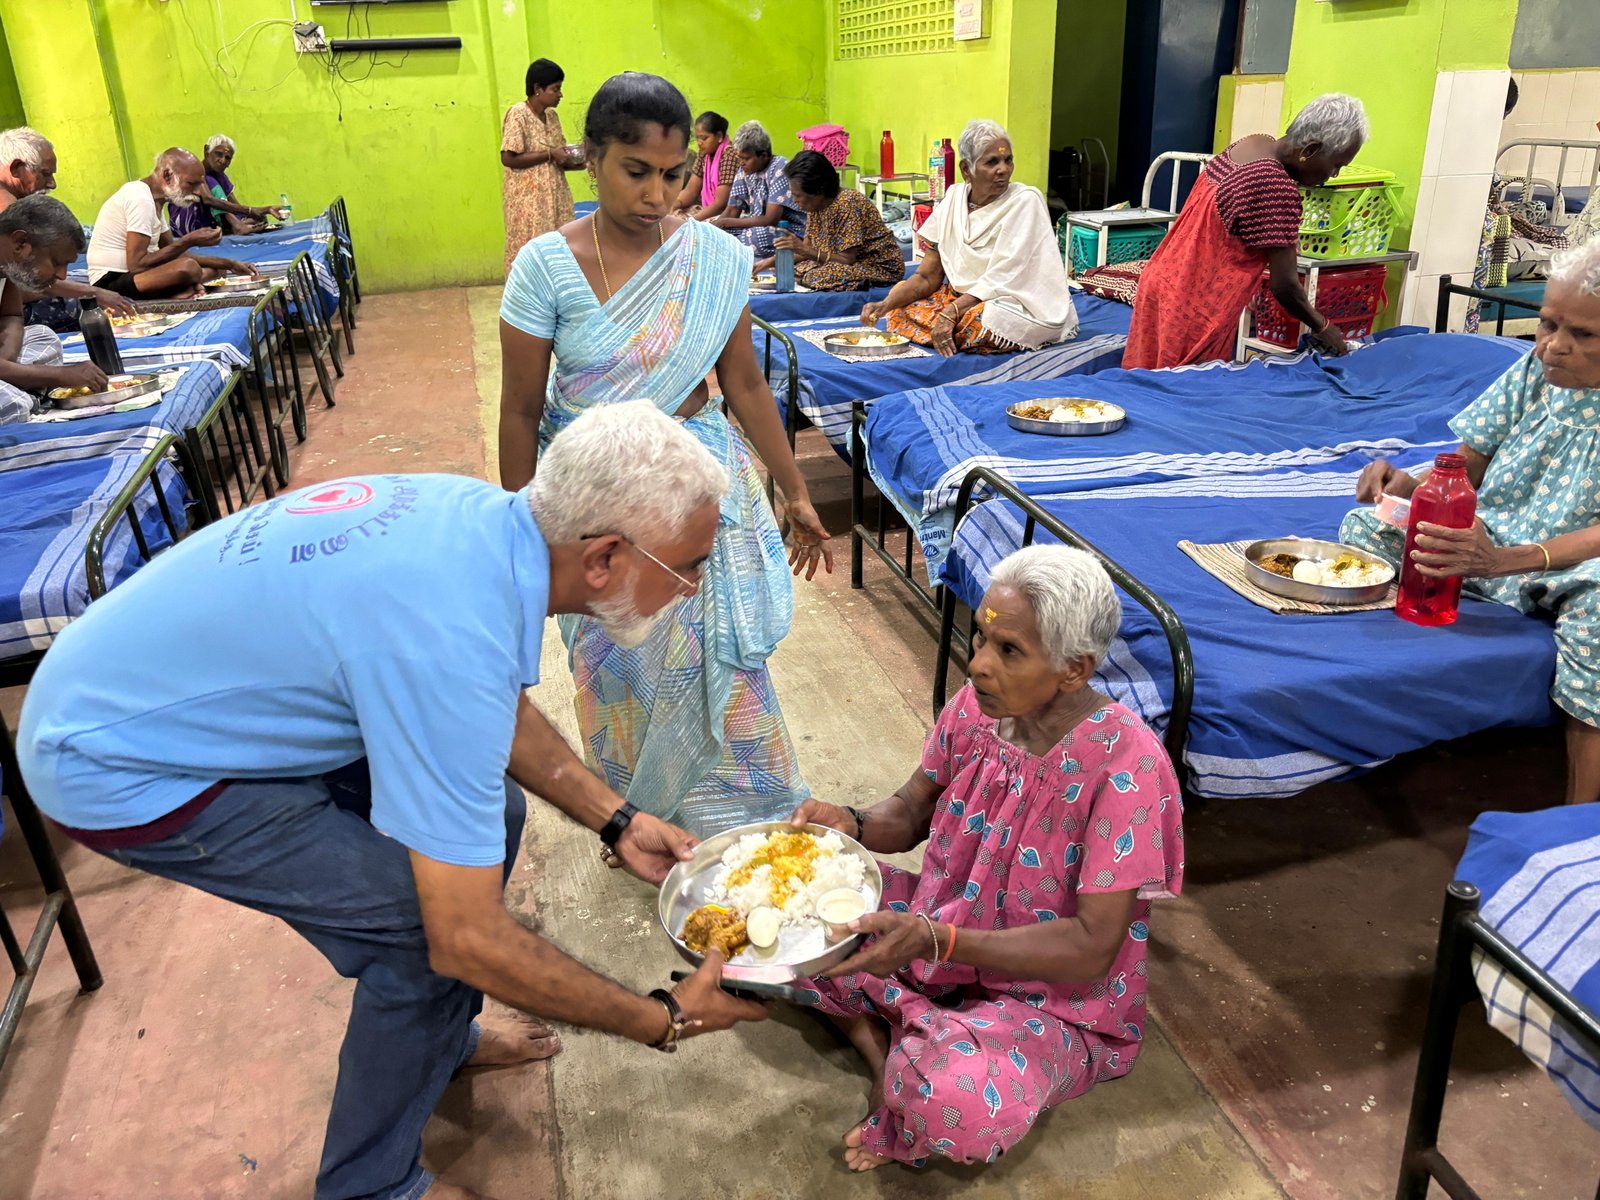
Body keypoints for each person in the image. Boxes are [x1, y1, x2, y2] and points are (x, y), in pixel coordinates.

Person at [18, 400, 770, 1200]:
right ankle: (370, 1187)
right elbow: (465, 937)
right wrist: (662, 1017)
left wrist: (615, 821)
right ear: (604, 557)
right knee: (421, 937)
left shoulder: (491, 525)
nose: (691, 587)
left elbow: (489, 709)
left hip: (156, 689)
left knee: (495, 818)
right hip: (115, 762)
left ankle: (438, 1040)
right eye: (687, 566)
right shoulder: (448, 635)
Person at [499, 72, 832, 832]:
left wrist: (795, 489)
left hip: (697, 495)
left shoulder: (710, 258)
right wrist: (522, 528)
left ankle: (745, 815)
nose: (657, 194)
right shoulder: (545, 268)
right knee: (619, 664)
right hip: (596, 500)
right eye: (636, 171)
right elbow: (520, 411)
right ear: (591, 160)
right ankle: (641, 819)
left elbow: (744, 384)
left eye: (674, 174)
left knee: (722, 658)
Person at [787, 544, 1184, 1170]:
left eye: (1008, 651)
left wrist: (938, 941)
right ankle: (893, 1052)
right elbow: (910, 811)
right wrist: (851, 821)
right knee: (786, 914)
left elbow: (1090, 947)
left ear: (1075, 668)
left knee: (961, 1108)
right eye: (980, 638)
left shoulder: (1127, 768)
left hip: (1045, 998)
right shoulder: (975, 711)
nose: (977, 664)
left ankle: (906, 1035)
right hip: (936, 930)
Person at [1342, 240, 1600, 807]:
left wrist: (1507, 561)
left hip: (1572, 562)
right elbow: (1466, 467)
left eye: (1583, 334)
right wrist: (1408, 486)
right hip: (1488, 543)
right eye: (1548, 323)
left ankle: (1579, 822)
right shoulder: (1535, 370)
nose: (1554, 346)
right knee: (1367, 527)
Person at [1123, 93, 1369, 370]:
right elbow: (1285, 285)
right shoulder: (1275, 185)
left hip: (1163, 281)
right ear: (1310, 150)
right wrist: (1323, 326)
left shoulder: (1254, 143)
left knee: (1142, 381)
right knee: (1182, 387)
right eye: (1336, 165)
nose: (1334, 175)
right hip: (1195, 306)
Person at [861, 119, 1077, 356]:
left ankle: (954, 327)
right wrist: (885, 304)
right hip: (961, 298)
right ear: (966, 169)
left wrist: (951, 312)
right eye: (992, 162)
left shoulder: (1026, 201)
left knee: (985, 320)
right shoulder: (953, 199)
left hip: (1011, 299)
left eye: (1008, 160)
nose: (1003, 169)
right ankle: (950, 327)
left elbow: (1005, 277)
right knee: (900, 307)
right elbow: (927, 276)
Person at [0, 126, 135, 322]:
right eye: (45, 174)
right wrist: (93, 292)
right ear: (16, 169)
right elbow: (26, 284)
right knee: (97, 309)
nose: (52, 184)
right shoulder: (7, 210)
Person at [0, 194, 113, 423]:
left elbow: (11, 316)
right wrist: (60, 375)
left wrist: (6, 363)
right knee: (12, 403)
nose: (62, 275)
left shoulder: (8, 264)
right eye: (57, 262)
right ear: (20, 243)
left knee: (44, 336)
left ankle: (19, 386)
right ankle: (22, 395)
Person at [86, 148, 257, 299]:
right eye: (191, 184)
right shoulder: (140, 198)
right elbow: (136, 264)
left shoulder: (156, 202)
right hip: (112, 282)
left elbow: (174, 251)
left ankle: (184, 288)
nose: (198, 192)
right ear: (168, 176)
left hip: (139, 275)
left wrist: (230, 264)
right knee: (189, 268)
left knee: (218, 269)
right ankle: (183, 288)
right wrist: (188, 241)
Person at [751, 150, 903, 292]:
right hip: (837, 262)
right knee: (787, 269)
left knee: (815, 276)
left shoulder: (848, 203)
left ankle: (860, 283)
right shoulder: (816, 206)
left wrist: (801, 248)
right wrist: (771, 261)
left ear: (819, 191)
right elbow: (808, 249)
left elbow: (847, 259)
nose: (794, 200)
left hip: (874, 266)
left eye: (798, 195)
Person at [501, 58, 584, 274]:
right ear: (538, 89)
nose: (560, 95)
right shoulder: (518, 114)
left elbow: (559, 156)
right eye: (555, 89)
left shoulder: (552, 117)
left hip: (555, 198)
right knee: (531, 253)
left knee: (558, 250)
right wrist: (549, 154)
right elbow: (508, 158)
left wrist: (581, 160)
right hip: (529, 203)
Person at [712, 120, 805, 257]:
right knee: (714, 227)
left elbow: (771, 219)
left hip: (788, 229)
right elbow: (732, 210)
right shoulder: (745, 171)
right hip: (756, 226)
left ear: (763, 155)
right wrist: (714, 229)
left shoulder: (780, 168)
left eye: (746, 158)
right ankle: (728, 245)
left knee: (757, 236)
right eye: (739, 158)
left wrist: (725, 223)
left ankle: (729, 247)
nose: (741, 163)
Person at [168, 134, 289, 238]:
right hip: (186, 225)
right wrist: (249, 211)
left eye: (227, 158)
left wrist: (266, 210)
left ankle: (237, 225)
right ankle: (237, 226)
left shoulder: (220, 176)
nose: (222, 161)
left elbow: (235, 205)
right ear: (206, 151)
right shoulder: (196, 170)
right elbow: (209, 199)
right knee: (210, 182)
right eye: (218, 154)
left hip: (207, 225)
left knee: (259, 218)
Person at [675, 110, 736, 221]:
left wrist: (692, 221)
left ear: (719, 136)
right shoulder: (704, 154)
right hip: (708, 208)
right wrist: (674, 204)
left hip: (725, 214)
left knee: (683, 223)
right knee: (674, 215)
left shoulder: (729, 155)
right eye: (697, 138)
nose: (699, 142)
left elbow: (720, 204)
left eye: (704, 138)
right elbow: (690, 191)